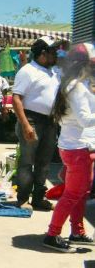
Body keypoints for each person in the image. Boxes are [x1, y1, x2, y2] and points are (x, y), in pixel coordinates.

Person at [44, 43, 95, 253]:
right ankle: (52, 234)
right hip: (77, 150)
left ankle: (77, 231)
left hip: (73, 147)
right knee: (73, 194)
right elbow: (84, 120)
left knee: (81, 192)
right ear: (86, 65)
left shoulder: (71, 84)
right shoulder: (77, 88)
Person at [13, 36, 62, 211]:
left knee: (44, 162)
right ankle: (23, 198)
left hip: (50, 122)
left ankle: (38, 198)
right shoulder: (27, 71)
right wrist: (26, 125)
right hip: (31, 119)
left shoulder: (55, 71)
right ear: (43, 53)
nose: (56, 53)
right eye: (53, 51)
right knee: (27, 161)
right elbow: (16, 98)